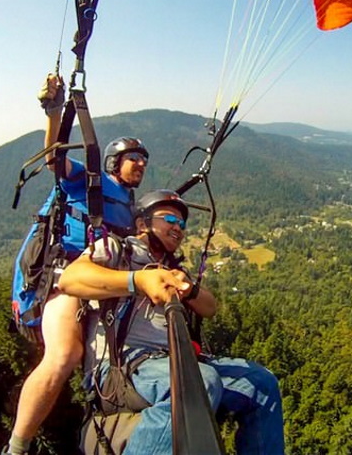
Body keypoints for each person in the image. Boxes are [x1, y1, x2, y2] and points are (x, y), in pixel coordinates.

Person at [58, 189, 285, 454]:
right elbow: (70, 279)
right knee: (200, 380)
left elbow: (210, 308)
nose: (179, 228)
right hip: (120, 366)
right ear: (142, 223)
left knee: (261, 383)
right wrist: (137, 281)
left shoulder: (173, 269)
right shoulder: (118, 250)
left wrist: (188, 290)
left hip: (168, 360)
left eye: (182, 224)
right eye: (170, 220)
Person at [4, 74, 150, 455]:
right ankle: (16, 449)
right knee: (64, 356)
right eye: (133, 158)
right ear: (115, 162)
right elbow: (55, 157)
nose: (140, 164)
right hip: (63, 279)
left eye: (143, 160)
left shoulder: (130, 207)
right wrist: (55, 112)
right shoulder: (90, 180)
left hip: (98, 283)